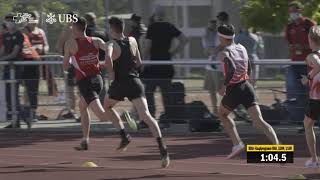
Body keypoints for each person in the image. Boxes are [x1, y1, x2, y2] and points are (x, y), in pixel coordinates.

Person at [104, 17, 170, 168]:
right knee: (146, 115)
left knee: (107, 106)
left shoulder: (111, 44)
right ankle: (163, 149)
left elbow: (108, 58)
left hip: (120, 83)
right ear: (123, 28)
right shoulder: (132, 40)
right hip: (134, 81)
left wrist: (111, 73)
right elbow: (139, 62)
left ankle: (123, 136)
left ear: (111, 29)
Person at [63, 17, 136, 151]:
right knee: (82, 106)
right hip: (98, 80)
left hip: (85, 82)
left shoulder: (70, 43)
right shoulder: (97, 41)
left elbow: (65, 67)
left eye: (72, 26)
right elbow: (112, 50)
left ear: (75, 28)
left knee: (102, 116)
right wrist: (100, 63)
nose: (70, 28)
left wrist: (72, 61)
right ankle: (85, 140)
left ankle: (123, 116)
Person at [216, 24, 279, 159]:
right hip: (246, 86)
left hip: (233, 89)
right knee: (259, 121)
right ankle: (278, 148)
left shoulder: (224, 52)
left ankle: (237, 143)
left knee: (222, 114)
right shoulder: (242, 48)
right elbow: (248, 64)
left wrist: (224, 86)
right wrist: (246, 79)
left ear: (221, 37)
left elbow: (231, 68)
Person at [142, 6, 188, 128]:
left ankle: (150, 118)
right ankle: (167, 119)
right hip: (166, 65)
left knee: (148, 93)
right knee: (166, 94)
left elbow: (148, 47)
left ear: (155, 15)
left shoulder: (152, 27)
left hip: (153, 65)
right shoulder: (170, 26)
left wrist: (142, 62)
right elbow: (184, 39)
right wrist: (173, 52)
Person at [285, 1, 316, 125]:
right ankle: (302, 119)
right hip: (295, 64)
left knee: (312, 92)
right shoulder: (289, 27)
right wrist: (294, 47)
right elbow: (289, 43)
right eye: (291, 12)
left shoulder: (309, 24)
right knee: (297, 92)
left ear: (300, 11)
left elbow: (317, 43)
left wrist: (304, 47)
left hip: (310, 64)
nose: (293, 14)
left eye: (295, 11)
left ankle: (314, 119)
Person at [0, 13, 29, 128]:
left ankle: (24, 116)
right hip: (7, 68)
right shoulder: (6, 35)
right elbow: (2, 50)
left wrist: (2, 59)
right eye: (7, 21)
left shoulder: (19, 35)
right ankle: (15, 120)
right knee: (8, 95)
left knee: (13, 94)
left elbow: (14, 53)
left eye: (11, 20)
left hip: (16, 68)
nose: (9, 23)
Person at [300, 25, 320, 168]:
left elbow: (318, 66)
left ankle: (314, 160)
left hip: (316, 98)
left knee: (307, 124)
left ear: (310, 40)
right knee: (307, 123)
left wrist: (308, 77)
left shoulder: (311, 56)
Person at [84, 12, 109, 108]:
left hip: (91, 62)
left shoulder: (87, 31)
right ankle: (104, 106)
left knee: (87, 86)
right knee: (102, 85)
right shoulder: (103, 31)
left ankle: (90, 108)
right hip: (102, 62)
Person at [57, 12, 79, 120]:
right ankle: (73, 110)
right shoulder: (80, 28)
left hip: (71, 61)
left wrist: (61, 55)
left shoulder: (68, 29)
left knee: (71, 88)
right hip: (79, 61)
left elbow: (60, 44)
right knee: (75, 88)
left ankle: (73, 111)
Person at [202, 19, 224, 114]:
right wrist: (211, 50)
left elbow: (218, 49)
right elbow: (206, 51)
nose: (211, 28)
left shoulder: (221, 35)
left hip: (219, 67)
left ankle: (224, 110)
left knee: (221, 91)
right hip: (210, 66)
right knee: (211, 90)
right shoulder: (206, 36)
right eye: (210, 26)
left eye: (213, 26)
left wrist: (211, 50)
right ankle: (215, 111)